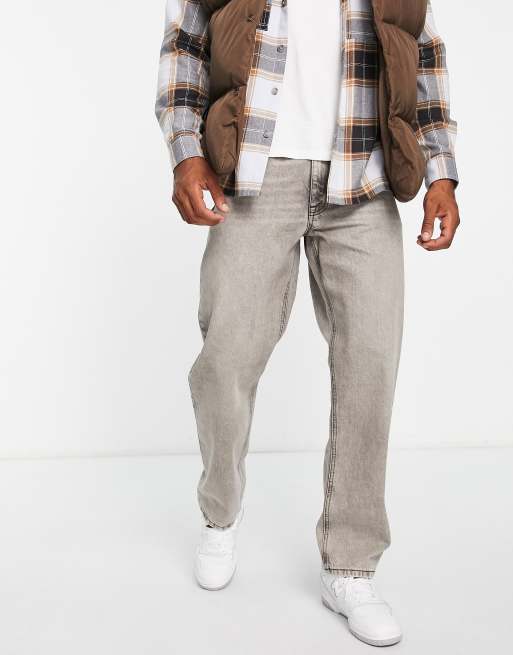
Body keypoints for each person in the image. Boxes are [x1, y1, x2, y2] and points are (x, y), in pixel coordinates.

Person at [155, 0, 459, 646]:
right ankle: (220, 512)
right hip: (255, 174)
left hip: (363, 177)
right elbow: (185, 44)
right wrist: (185, 154)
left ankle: (350, 564)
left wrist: (441, 173)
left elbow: (424, 54)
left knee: (371, 366)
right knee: (226, 357)